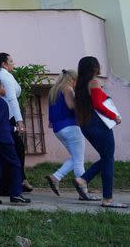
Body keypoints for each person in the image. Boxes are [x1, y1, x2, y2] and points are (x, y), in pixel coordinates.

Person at [74, 56, 125, 208]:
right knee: (108, 159)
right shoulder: (94, 82)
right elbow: (97, 104)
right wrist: (114, 116)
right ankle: (107, 199)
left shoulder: (80, 85)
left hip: (86, 125)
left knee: (106, 157)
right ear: (94, 67)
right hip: (98, 124)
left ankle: (83, 180)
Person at [0, 52, 32, 194]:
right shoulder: (5, 76)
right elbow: (12, 99)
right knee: (15, 152)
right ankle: (15, 187)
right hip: (7, 117)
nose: (14, 64)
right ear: (4, 64)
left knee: (2, 155)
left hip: (1, 118)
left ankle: (4, 187)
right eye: (11, 61)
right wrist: (20, 121)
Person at [46, 69, 95, 200]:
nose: (76, 84)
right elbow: (72, 106)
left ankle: (56, 177)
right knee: (79, 160)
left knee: (75, 157)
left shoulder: (53, 91)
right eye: (76, 81)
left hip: (59, 129)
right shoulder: (67, 89)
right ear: (72, 79)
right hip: (71, 127)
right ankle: (84, 192)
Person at [0, 77, 30, 205]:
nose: (4, 88)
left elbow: (1, 123)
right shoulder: (2, 102)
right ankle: (16, 193)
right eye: (3, 86)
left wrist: (15, 128)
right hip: (3, 141)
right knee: (16, 165)